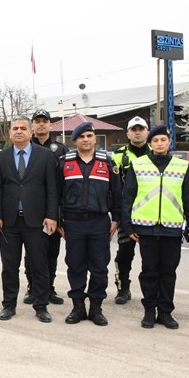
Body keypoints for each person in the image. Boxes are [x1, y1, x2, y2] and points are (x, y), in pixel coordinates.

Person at [120, 125, 189, 329]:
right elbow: (127, 197)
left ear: (169, 142)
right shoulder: (138, 165)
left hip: (172, 228)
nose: (159, 143)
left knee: (168, 272)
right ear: (150, 143)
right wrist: (127, 226)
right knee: (149, 271)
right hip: (145, 227)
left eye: (163, 140)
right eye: (155, 140)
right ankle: (149, 311)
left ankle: (165, 312)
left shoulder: (181, 166)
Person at [0, 116, 59, 323]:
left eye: (23, 128)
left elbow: (52, 188)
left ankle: (41, 306)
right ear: (10, 133)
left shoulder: (45, 155)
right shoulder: (2, 157)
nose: (19, 131)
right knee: (9, 266)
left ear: (31, 132)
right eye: (15, 128)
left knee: (39, 265)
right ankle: (9, 305)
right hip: (8, 222)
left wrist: (52, 215)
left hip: (37, 221)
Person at [57, 122, 121, 326]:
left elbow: (117, 193)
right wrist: (58, 221)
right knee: (75, 266)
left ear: (95, 139)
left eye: (89, 136)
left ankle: (96, 308)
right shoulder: (64, 163)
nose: (85, 139)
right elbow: (55, 194)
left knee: (99, 267)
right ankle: (77, 307)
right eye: (81, 136)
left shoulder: (108, 163)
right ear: (74, 140)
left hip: (99, 222)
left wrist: (116, 219)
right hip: (73, 223)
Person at [25, 109, 67, 306]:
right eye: (37, 121)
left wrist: (60, 213)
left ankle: (49, 288)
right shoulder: (25, 147)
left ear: (50, 125)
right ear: (32, 125)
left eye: (44, 121)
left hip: (53, 208)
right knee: (31, 252)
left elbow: (64, 182)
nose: (41, 124)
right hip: (31, 208)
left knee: (51, 251)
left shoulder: (60, 149)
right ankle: (32, 288)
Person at [111, 116, 151, 304]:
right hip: (126, 214)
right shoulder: (118, 156)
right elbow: (113, 187)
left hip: (150, 214)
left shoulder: (156, 153)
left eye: (141, 129)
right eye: (133, 129)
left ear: (147, 132)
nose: (137, 132)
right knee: (125, 253)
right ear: (127, 133)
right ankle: (123, 288)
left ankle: (151, 291)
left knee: (150, 256)